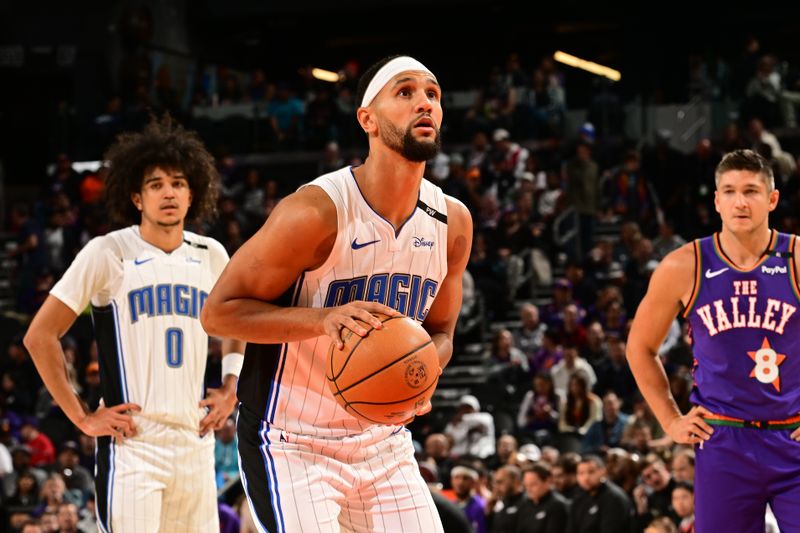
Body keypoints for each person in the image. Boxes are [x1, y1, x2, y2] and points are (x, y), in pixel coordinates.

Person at [201, 55, 472, 532]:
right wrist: (321, 320)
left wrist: (424, 369)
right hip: (290, 441)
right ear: (367, 119)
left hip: (383, 442)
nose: (425, 103)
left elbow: (442, 332)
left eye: (433, 94)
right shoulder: (314, 212)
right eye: (405, 92)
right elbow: (219, 314)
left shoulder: (453, 223)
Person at [23, 115, 246, 532]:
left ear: (192, 192)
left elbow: (236, 322)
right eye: (156, 184)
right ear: (137, 197)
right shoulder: (107, 252)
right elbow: (40, 335)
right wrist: (82, 417)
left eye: (178, 183)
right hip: (133, 444)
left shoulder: (212, 254)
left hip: (195, 442)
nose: (169, 193)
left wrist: (231, 385)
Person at [627, 149, 800, 532]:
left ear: (772, 199)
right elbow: (639, 347)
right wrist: (670, 420)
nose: (741, 201)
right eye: (730, 191)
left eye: (752, 191)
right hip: (724, 441)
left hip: (793, 435)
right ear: (717, 200)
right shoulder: (683, 265)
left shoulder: (797, 258)